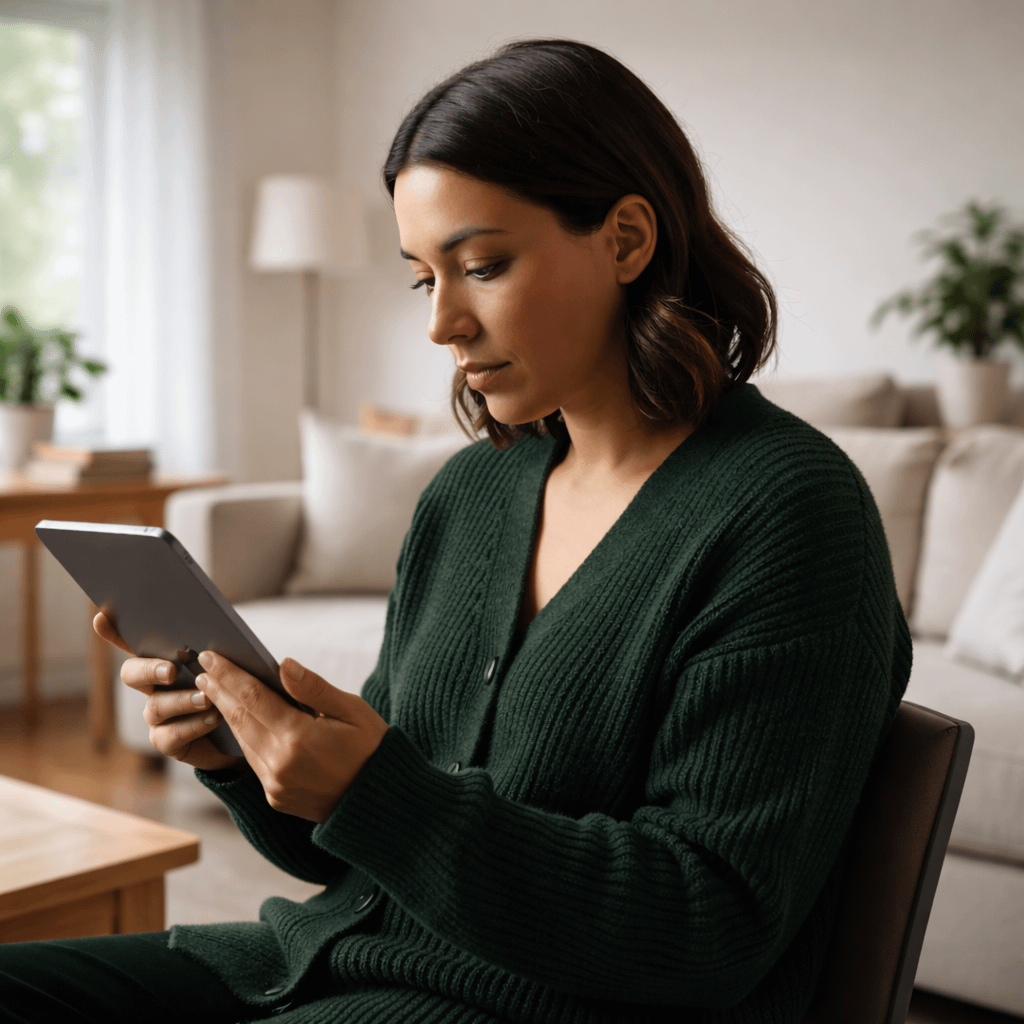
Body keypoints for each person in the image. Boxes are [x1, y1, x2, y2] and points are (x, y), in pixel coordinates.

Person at [0, 39, 910, 1024]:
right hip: (335, 960)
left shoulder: (786, 511)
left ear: (626, 238)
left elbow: (703, 923)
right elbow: (355, 846)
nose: (442, 323)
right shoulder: (470, 495)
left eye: (481, 265)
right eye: (421, 278)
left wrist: (380, 795)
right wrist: (242, 755)